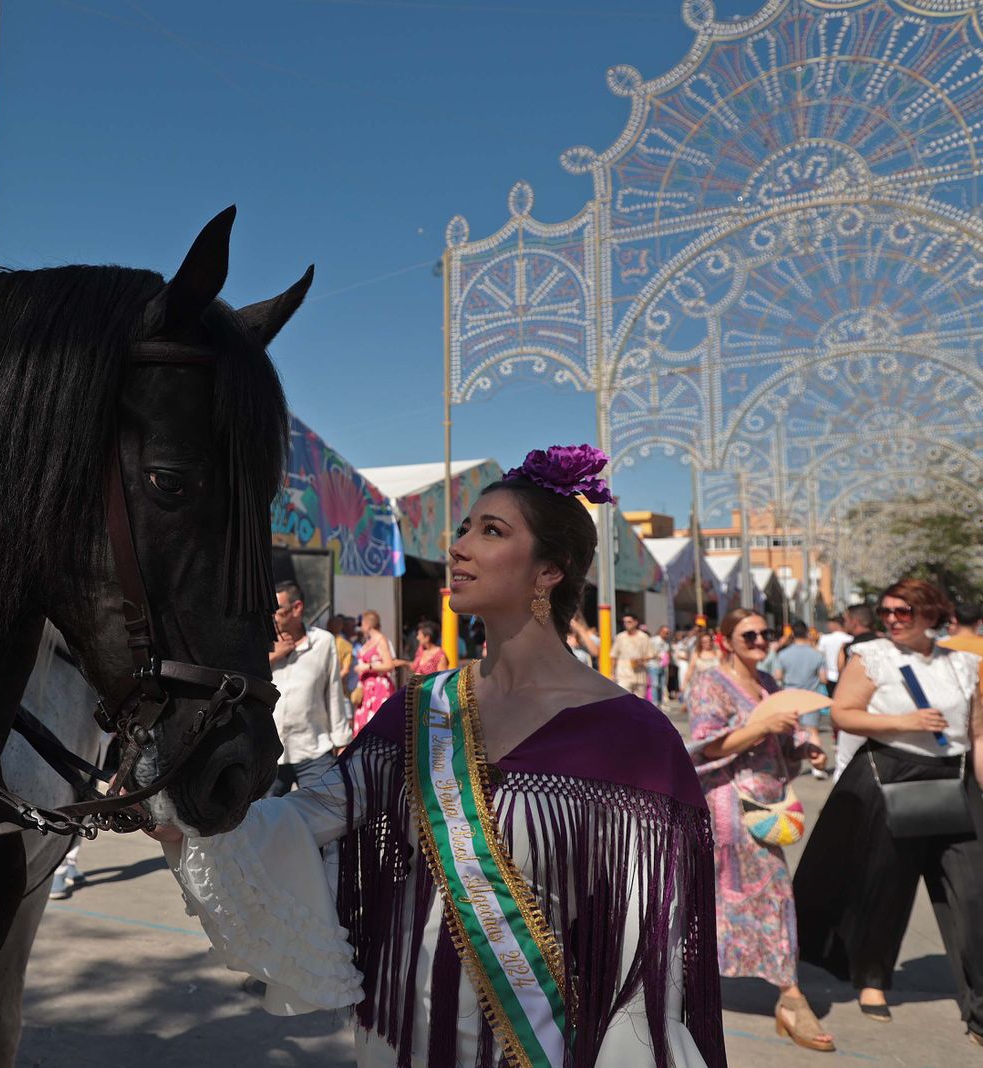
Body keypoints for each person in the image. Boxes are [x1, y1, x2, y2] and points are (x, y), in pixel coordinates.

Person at [149, 445, 725, 1067]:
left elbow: (651, 949)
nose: (459, 546)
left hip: (550, 1045)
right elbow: (304, 819)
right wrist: (192, 821)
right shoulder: (420, 709)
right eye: (463, 528)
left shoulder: (632, 737)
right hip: (411, 1037)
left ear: (549, 571)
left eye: (492, 531)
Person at [795, 578, 983, 1043]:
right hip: (889, 773)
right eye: (887, 612)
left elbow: (977, 732)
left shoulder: (965, 664)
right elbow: (842, 713)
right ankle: (872, 978)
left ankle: (978, 1003)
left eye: (905, 611)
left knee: (972, 890)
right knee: (884, 886)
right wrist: (904, 722)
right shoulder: (873, 656)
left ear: (933, 614)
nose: (894, 620)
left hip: (954, 777)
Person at [687, 609, 833, 1052]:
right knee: (750, 893)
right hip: (730, 807)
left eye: (764, 632)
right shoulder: (708, 683)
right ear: (725, 639)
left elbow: (783, 739)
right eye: (748, 634)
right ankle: (789, 996)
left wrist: (807, 746)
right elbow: (705, 744)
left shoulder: (768, 682)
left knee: (759, 893)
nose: (758, 640)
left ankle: (771, 988)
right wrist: (759, 727)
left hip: (769, 802)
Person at [267, 581, 353, 796]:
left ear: (297, 608)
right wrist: (273, 656)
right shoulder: (262, 645)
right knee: (264, 820)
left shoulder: (323, 642)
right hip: (270, 754)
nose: (273, 616)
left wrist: (342, 741)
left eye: (277, 610)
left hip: (314, 750)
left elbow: (334, 691)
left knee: (321, 817)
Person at [767, 625, 831, 779]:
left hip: (790, 696)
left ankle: (788, 765)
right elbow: (824, 679)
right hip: (810, 697)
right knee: (813, 731)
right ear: (807, 634)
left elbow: (778, 676)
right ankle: (817, 766)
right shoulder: (817, 654)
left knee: (790, 732)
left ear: (793, 635)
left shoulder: (783, 654)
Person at [832, 603, 879, 780]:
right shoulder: (885, 644)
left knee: (844, 763)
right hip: (881, 712)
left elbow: (841, 674)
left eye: (846, 620)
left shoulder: (849, 647)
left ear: (855, 621)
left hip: (854, 712)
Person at [353, 609, 397, 733]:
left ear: (367, 624)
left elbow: (389, 664)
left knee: (377, 725)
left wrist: (367, 667)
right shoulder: (369, 641)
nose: (361, 627)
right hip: (366, 689)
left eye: (362, 624)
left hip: (378, 689)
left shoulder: (381, 640)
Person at [613, 611, 655, 698]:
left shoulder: (644, 637)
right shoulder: (620, 637)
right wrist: (612, 673)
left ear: (635, 622)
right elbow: (614, 656)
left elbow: (651, 654)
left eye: (629, 622)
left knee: (639, 702)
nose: (626, 624)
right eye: (624, 622)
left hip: (640, 675)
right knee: (624, 700)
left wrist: (642, 660)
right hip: (623, 675)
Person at [818, 616, 852, 696]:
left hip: (829, 675)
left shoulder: (824, 638)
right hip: (846, 676)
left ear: (835, 625)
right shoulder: (850, 639)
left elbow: (819, 656)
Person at [648, 623, 672, 707]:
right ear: (660, 632)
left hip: (662, 666)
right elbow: (648, 650)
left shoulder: (666, 643)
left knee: (662, 685)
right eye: (665, 632)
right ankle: (655, 703)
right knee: (655, 685)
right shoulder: (654, 640)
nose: (666, 634)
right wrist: (656, 655)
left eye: (668, 633)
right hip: (653, 665)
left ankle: (660, 702)